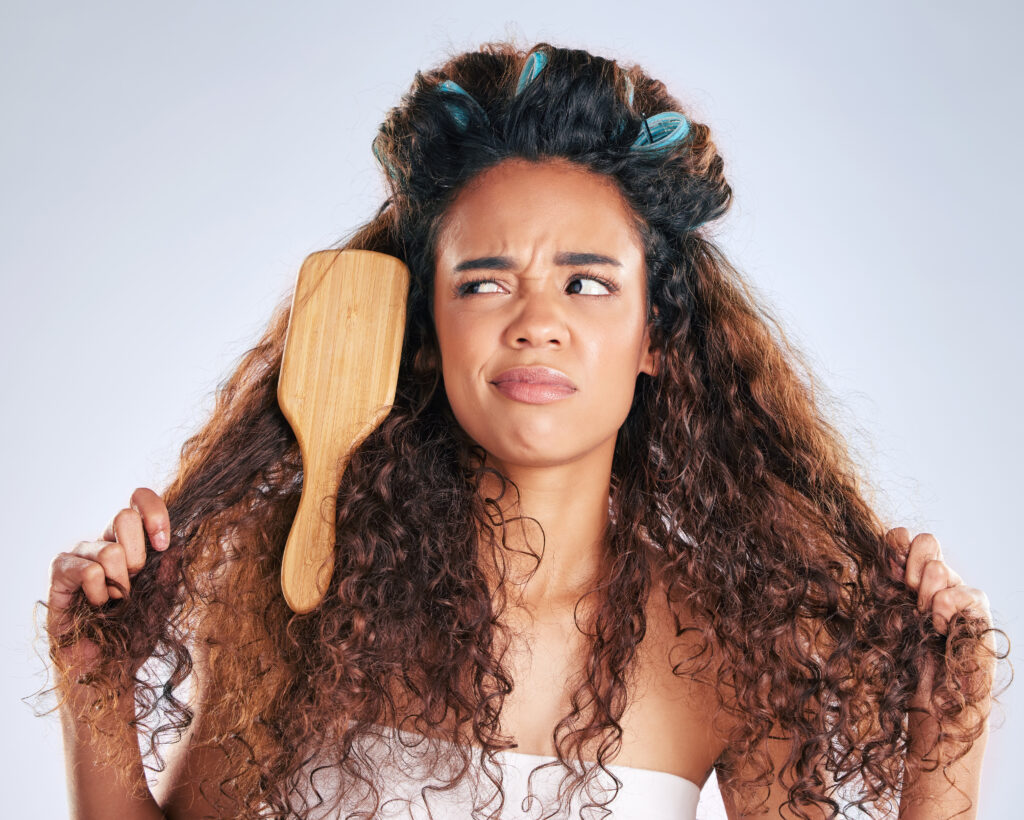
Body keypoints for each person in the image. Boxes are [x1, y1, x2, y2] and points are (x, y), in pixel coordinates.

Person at [41, 40, 1007, 820]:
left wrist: (947, 746)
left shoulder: (737, 651)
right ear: (425, 335)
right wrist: (94, 694)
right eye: (484, 281)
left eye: (586, 283)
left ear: (656, 336)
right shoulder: (295, 582)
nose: (535, 319)